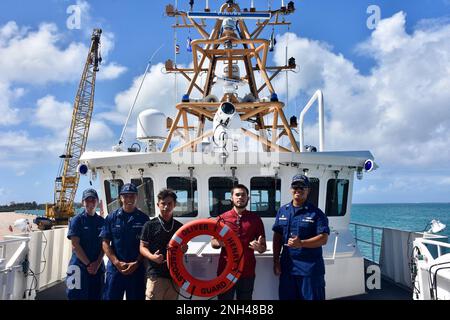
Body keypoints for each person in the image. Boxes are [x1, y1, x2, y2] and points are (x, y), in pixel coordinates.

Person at [272, 174, 330, 300]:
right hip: (287, 269)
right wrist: (276, 261)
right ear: (291, 189)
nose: (298, 189)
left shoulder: (317, 213)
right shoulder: (283, 211)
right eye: (295, 186)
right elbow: (277, 237)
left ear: (308, 190)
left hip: (310, 271)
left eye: (302, 186)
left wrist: (301, 243)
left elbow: (323, 238)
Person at [211, 184, 266, 300]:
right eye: (237, 195)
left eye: (243, 195)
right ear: (231, 198)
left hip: (247, 271)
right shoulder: (222, 219)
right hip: (225, 270)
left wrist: (259, 247)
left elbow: (263, 248)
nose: (240, 197)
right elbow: (213, 243)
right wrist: (221, 243)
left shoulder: (255, 219)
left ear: (248, 198)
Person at [100, 183, 149, 300]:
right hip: (115, 269)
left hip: (136, 270)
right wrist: (117, 263)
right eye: (125, 196)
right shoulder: (111, 218)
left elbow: (146, 245)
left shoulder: (144, 219)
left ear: (136, 197)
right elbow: (105, 243)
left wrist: (136, 263)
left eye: (132, 196)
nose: (129, 199)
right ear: (121, 198)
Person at [140, 189, 187, 300]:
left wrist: (184, 249)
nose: (166, 206)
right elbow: (142, 247)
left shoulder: (179, 227)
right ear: (158, 205)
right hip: (156, 276)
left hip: (174, 276)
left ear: (174, 205)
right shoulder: (149, 225)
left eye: (169, 203)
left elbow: (182, 248)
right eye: (163, 203)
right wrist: (153, 257)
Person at [66, 188, 105, 300]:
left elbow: (104, 245)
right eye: (87, 200)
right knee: (75, 297)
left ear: (97, 202)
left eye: (93, 200)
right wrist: (88, 265)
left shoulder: (102, 222)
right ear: (83, 202)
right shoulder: (76, 220)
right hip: (78, 268)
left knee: (97, 296)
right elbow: (75, 245)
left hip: (97, 268)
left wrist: (97, 264)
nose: (90, 203)